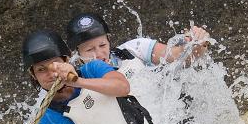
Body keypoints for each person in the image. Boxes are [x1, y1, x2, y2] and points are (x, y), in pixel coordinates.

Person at [9, 29, 157, 124]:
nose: (51, 74)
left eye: (55, 65)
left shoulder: (93, 69)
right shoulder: (51, 121)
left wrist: (77, 81)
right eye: (41, 70)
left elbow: (122, 87)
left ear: (66, 61)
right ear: (34, 76)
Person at [65, 12, 211, 76]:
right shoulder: (78, 82)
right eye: (89, 49)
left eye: (102, 45)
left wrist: (199, 43)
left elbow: (179, 57)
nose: (98, 54)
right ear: (77, 55)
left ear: (109, 41)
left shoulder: (135, 49)